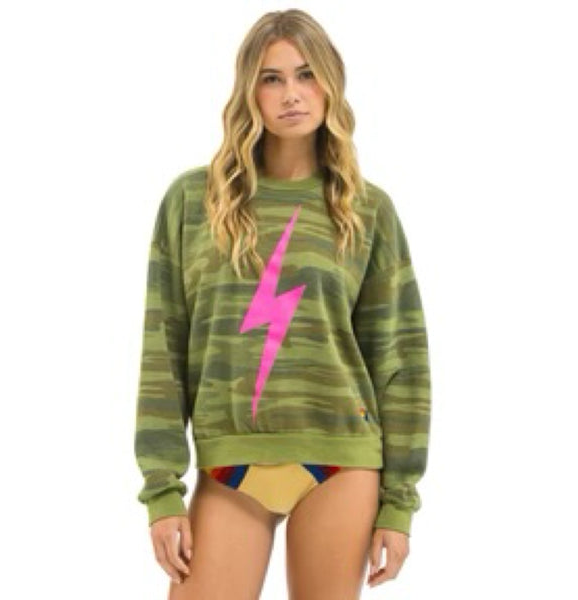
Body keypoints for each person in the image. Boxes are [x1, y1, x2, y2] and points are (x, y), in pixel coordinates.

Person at [134, 8, 431, 599]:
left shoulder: (367, 210)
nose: (291, 94)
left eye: (306, 74)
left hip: (341, 456)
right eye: (272, 78)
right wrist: (162, 489)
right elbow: (162, 349)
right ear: (250, 91)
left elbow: (401, 360)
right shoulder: (193, 201)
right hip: (231, 457)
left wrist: (399, 505)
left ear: (331, 84)